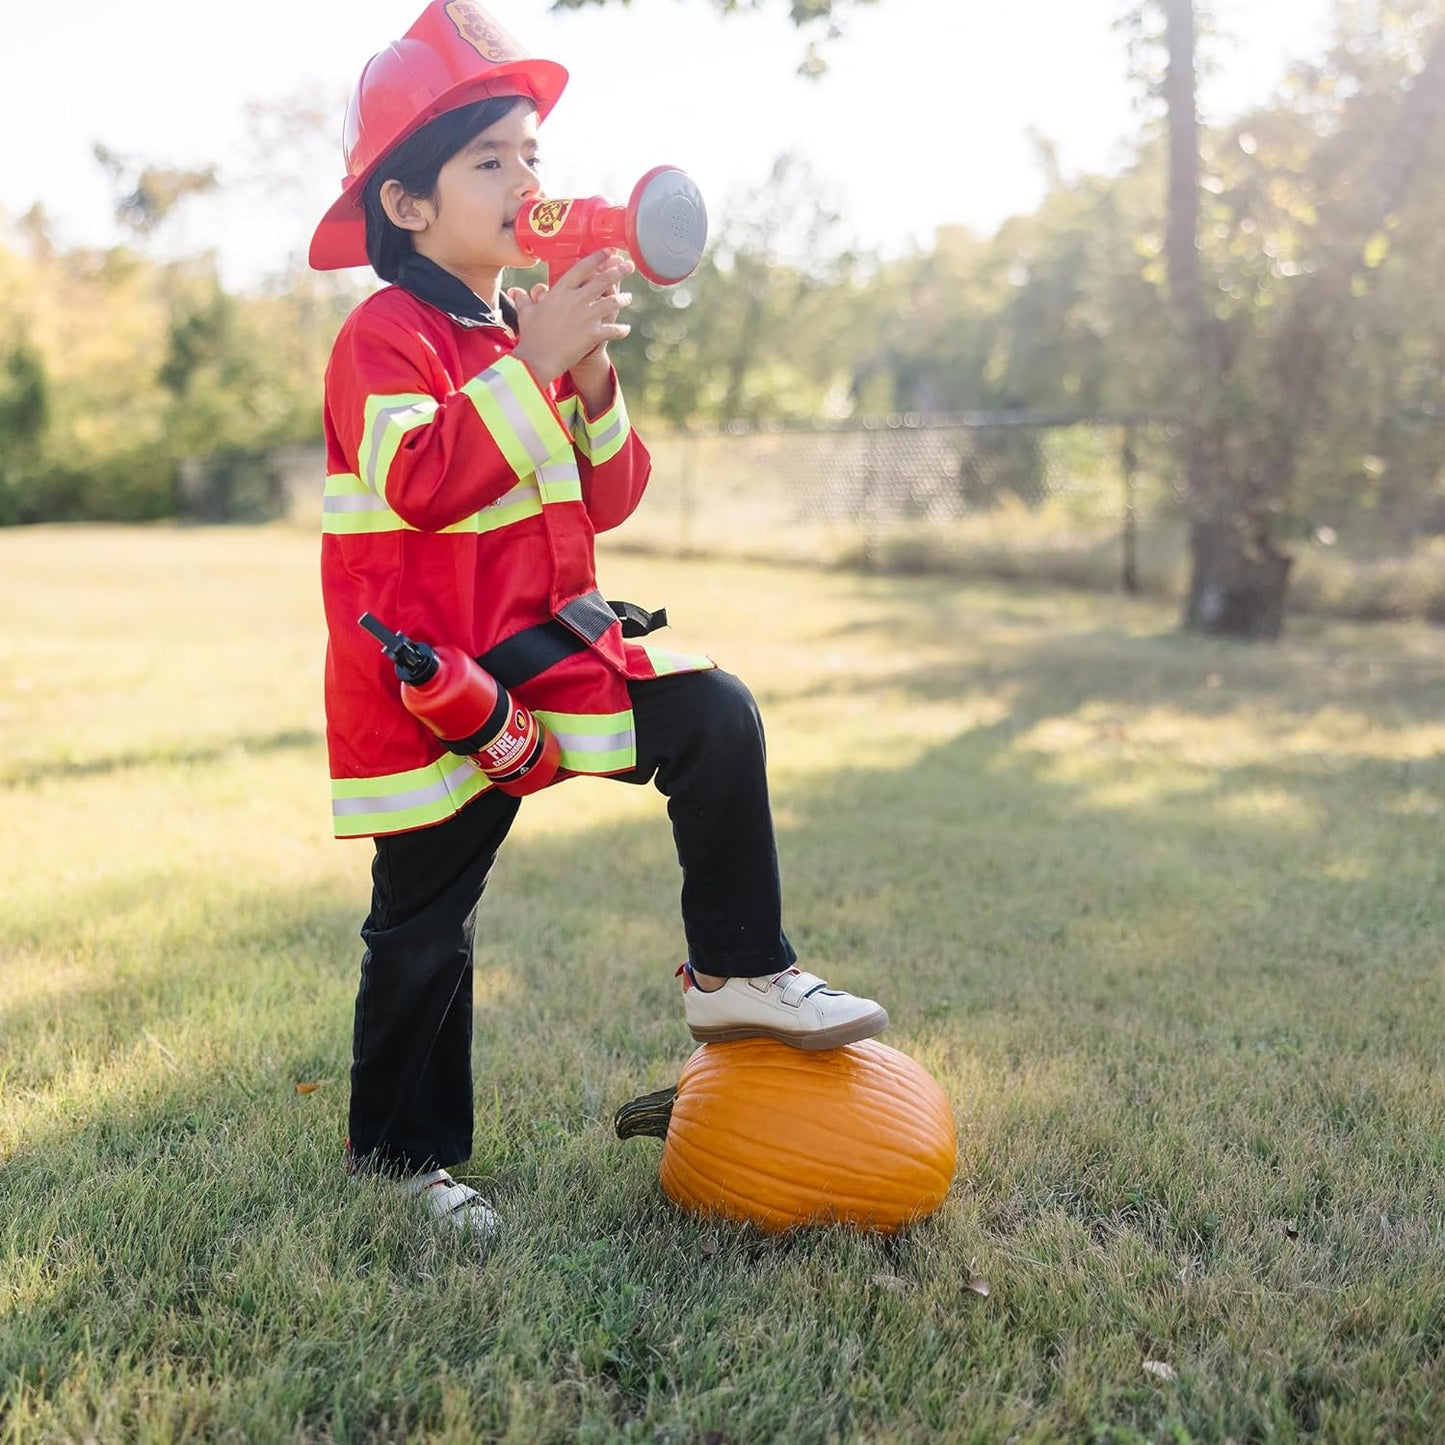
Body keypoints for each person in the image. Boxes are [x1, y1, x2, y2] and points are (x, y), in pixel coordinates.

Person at [309, 0, 888, 1248]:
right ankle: (403, 1162)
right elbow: (420, 484)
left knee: (713, 713)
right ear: (406, 206)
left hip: (542, 659)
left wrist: (585, 377)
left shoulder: (514, 332)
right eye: (489, 159)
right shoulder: (382, 339)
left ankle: (738, 970)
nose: (526, 178)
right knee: (423, 923)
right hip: (427, 692)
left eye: (532, 154)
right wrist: (529, 363)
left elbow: (612, 493)